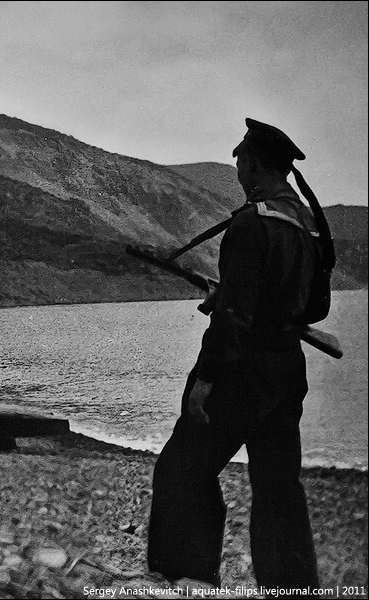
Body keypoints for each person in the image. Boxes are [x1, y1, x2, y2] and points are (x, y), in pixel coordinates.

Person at [148, 118, 329, 591]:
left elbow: (232, 320)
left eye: (239, 165)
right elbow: (315, 307)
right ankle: (292, 585)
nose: (238, 175)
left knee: (181, 470)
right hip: (287, 369)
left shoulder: (250, 225)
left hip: (240, 371)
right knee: (278, 487)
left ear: (252, 166)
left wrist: (205, 381)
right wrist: (241, 298)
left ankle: (187, 578)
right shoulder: (308, 225)